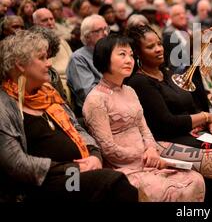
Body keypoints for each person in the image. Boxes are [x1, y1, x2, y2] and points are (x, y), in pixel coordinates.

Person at [0, 30, 138, 202]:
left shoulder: (48, 94)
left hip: (75, 172)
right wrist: (71, 168)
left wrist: (95, 154)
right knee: (114, 182)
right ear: (20, 64)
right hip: (45, 183)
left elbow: (77, 128)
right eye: (42, 58)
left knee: (118, 182)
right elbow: (16, 164)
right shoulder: (4, 106)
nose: (49, 63)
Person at [83, 35, 205, 202]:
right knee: (164, 190)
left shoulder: (129, 91)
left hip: (148, 159)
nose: (129, 60)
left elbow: (144, 128)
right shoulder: (96, 99)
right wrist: (145, 155)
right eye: (122, 54)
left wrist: (151, 150)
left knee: (195, 179)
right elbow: (107, 148)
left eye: (131, 55)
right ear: (104, 58)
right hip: (123, 167)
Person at [126, 25, 212, 181]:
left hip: (192, 131)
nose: (158, 49)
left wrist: (210, 124)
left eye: (159, 44)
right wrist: (205, 117)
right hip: (168, 138)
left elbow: (192, 105)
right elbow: (166, 122)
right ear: (138, 53)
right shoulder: (140, 81)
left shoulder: (167, 73)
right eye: (150, 47)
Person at [66, 15, 108, 115]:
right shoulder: (78, 58)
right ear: (87, 36)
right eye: (99, 31)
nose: (105, 33)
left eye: (106, 29)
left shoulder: (109, 53)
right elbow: (89, 95)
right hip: (95, 112)